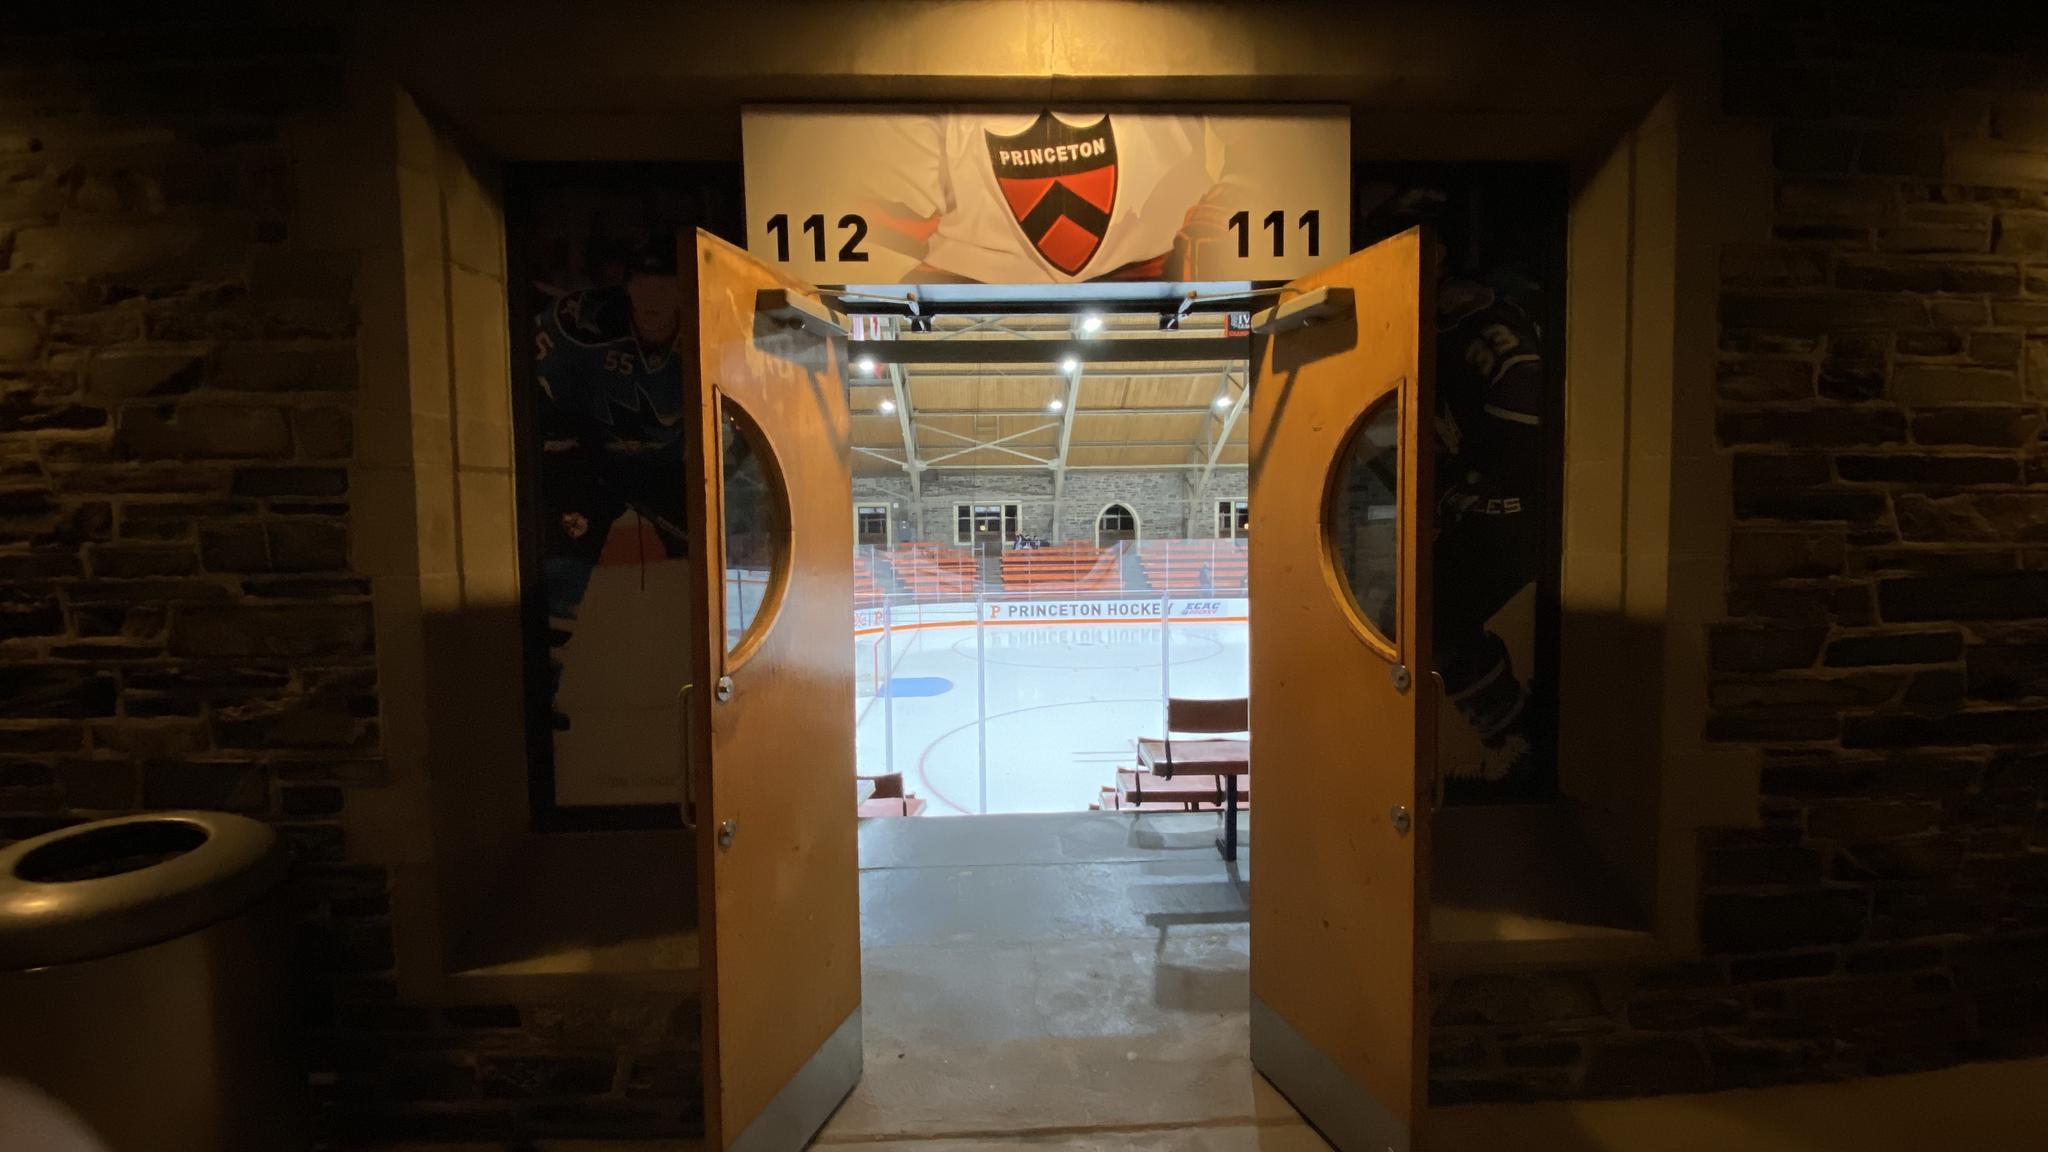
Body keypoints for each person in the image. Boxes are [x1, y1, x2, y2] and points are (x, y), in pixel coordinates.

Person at [1361, 185, 1554, 803]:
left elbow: (1522, 400)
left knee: (1430, 619)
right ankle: (1516, 733)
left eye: (1415, 238)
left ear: (1440, 249)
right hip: (1472, 507)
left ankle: (1519, 737)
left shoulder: (1476, 320)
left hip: (1508, 512)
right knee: (1416, 620)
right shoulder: (1411, 320)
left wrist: (1473, 476)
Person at [532, 239, 688, 731]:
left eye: (667, 283)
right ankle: (543, 691)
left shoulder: (713, 326)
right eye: (645, 283)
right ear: (627, 285)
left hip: (675, 467)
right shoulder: (580, 321)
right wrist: (564, 444)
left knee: (708, 572)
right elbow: (537, 389)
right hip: (591, 458)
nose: (655, 297)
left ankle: (698, 685)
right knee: (561, 567)